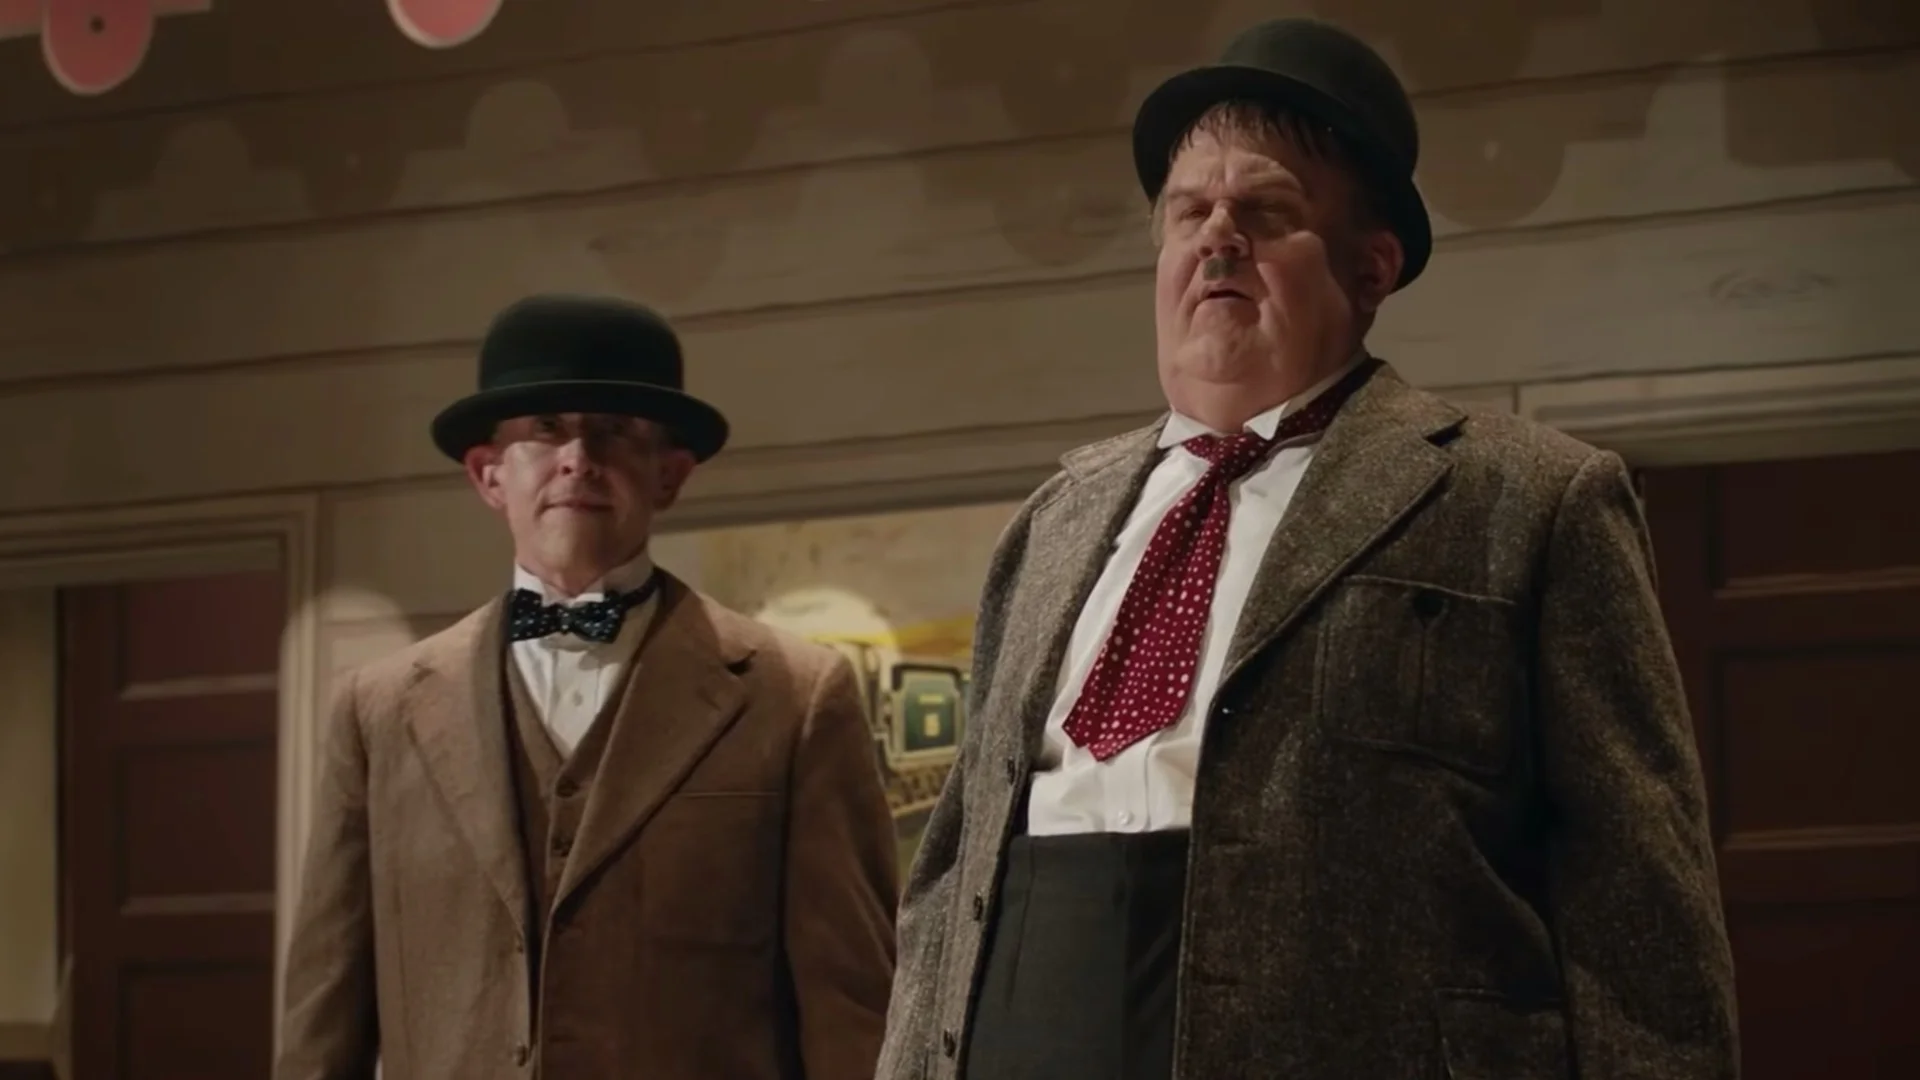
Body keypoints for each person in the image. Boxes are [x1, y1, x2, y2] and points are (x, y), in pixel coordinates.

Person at [876, 17, 1737, 1080]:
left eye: (1267, 211)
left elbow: (1639, 906)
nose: (1217, 239)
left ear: (1371, 267)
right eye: (1189, 211)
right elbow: (948, 878)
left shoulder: (1529, 498)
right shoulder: (1052, 522)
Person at [276, 294, 899, 1079]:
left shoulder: (794, 698)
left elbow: (854, 1013)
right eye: (545, 429)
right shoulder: (376, 711)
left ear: (669, 474)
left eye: (614, 429)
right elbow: (323, 1023)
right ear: (488, 474)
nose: (578, 457)